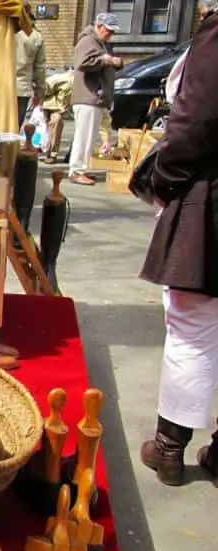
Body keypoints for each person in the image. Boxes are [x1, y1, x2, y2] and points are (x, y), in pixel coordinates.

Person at [139, 0, 218, 486]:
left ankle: (170, 448)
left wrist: (164, 178)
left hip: (211, 196)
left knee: (191, 326)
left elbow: (193, 123)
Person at [68, 13, 123, 185]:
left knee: (89, 136)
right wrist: (105, 60)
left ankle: (80, 169)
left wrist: (115, 62)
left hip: (93, 97)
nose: (110, 34)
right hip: (88, 96)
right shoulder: (88, 41)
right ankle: (76, 171)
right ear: (99, 26)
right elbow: (83, 63)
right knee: (84, 136)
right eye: (108, 30)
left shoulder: (98, 43)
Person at [15, 7, 47, 127]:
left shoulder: (3, 29)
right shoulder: (36, 36)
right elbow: (40, 68)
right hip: (22, 89)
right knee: (14, 128)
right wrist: (40, 91)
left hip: (0, 88)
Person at [40, 69, 73, 164]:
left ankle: (70, 155)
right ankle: (51, 154)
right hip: (52, 107)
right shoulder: (63, 78)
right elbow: (46, 87)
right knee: (55, 123)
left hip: (67, 107)